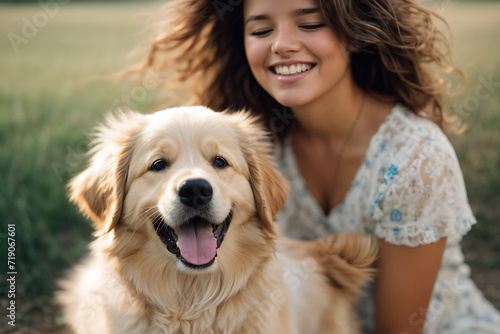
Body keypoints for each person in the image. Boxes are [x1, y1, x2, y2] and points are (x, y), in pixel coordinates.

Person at [128, 0, 500, 332]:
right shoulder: (250, 146)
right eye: (261, 29)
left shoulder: (416, 158)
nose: (281, 44)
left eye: (310, 24)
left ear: (355, 34)